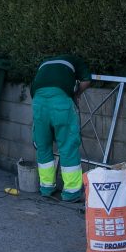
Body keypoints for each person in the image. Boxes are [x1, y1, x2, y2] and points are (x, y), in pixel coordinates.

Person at [30, 54, 91, 202]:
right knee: (68, 146)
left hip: (38, 103)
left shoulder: (44, 63)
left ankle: (46, 188)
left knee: (43, 145)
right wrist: (76, 94)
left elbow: (34, 88)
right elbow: (86, 80)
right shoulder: (76, 60)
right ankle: (71, 192)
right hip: (61, 102)